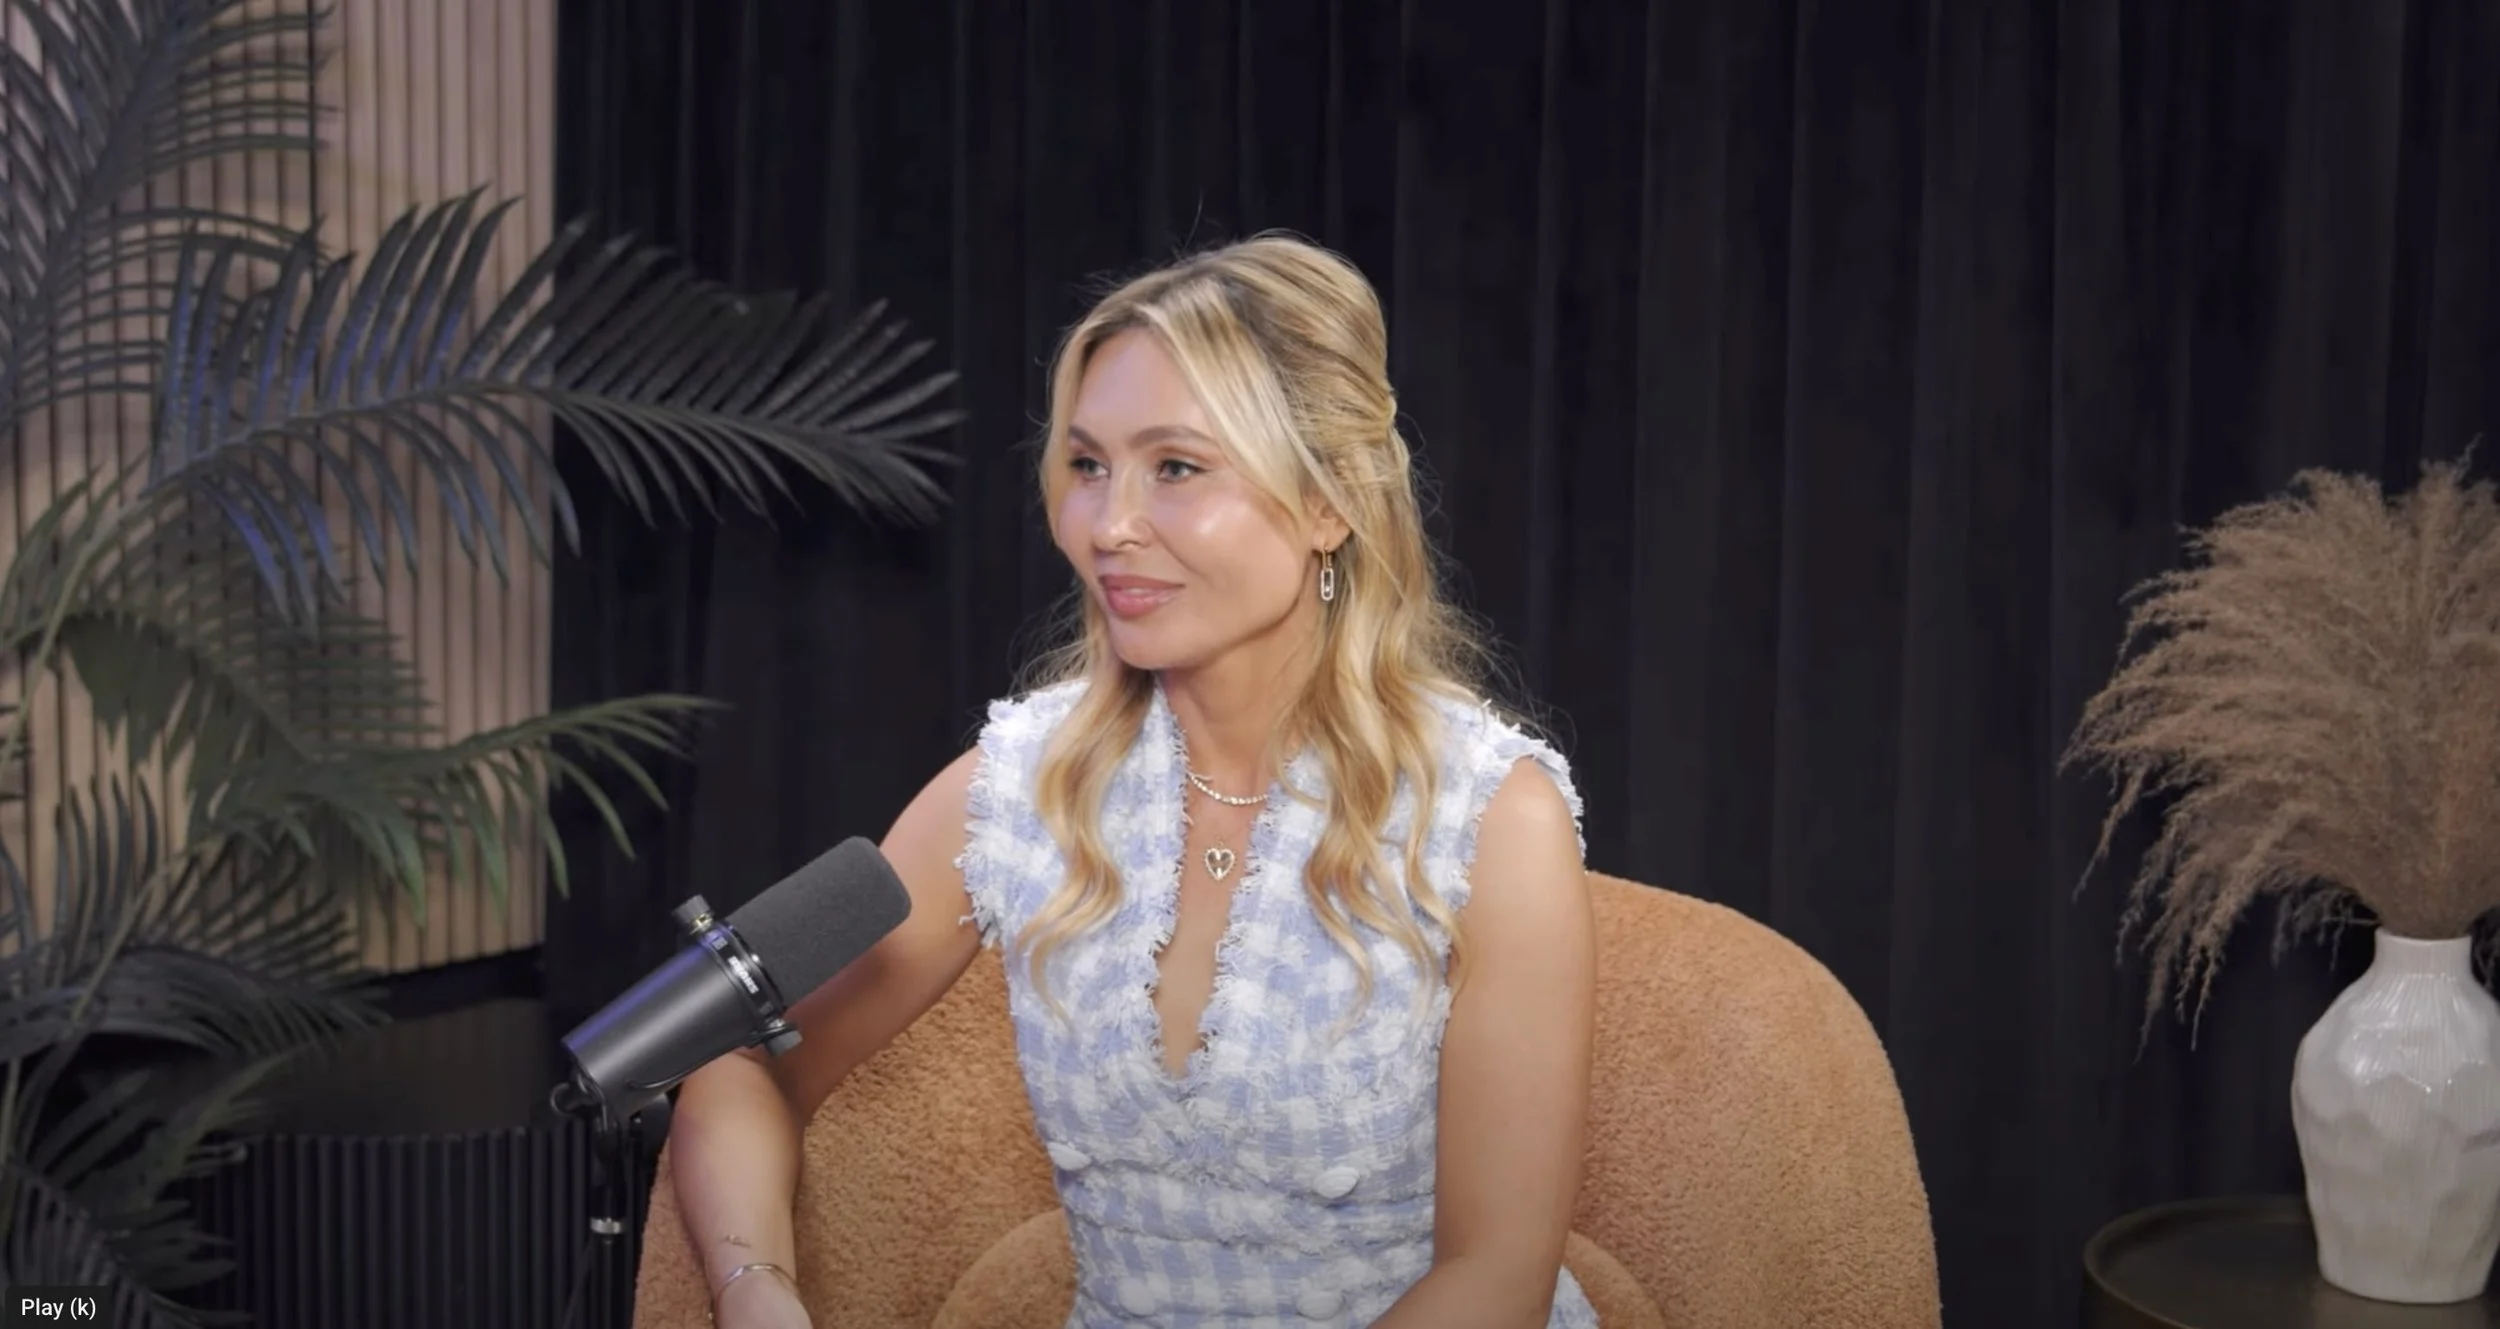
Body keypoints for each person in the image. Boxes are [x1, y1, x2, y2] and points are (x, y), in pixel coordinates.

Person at [669, 233, 1599, 1328]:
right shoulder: (1020, 788)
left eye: (1176, 468)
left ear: (1326, 502)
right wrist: (753, 1288)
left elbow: (1494, 1280)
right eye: (1087, 465)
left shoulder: (1490, 818)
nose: (1108, 526)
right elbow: (739, 1055)